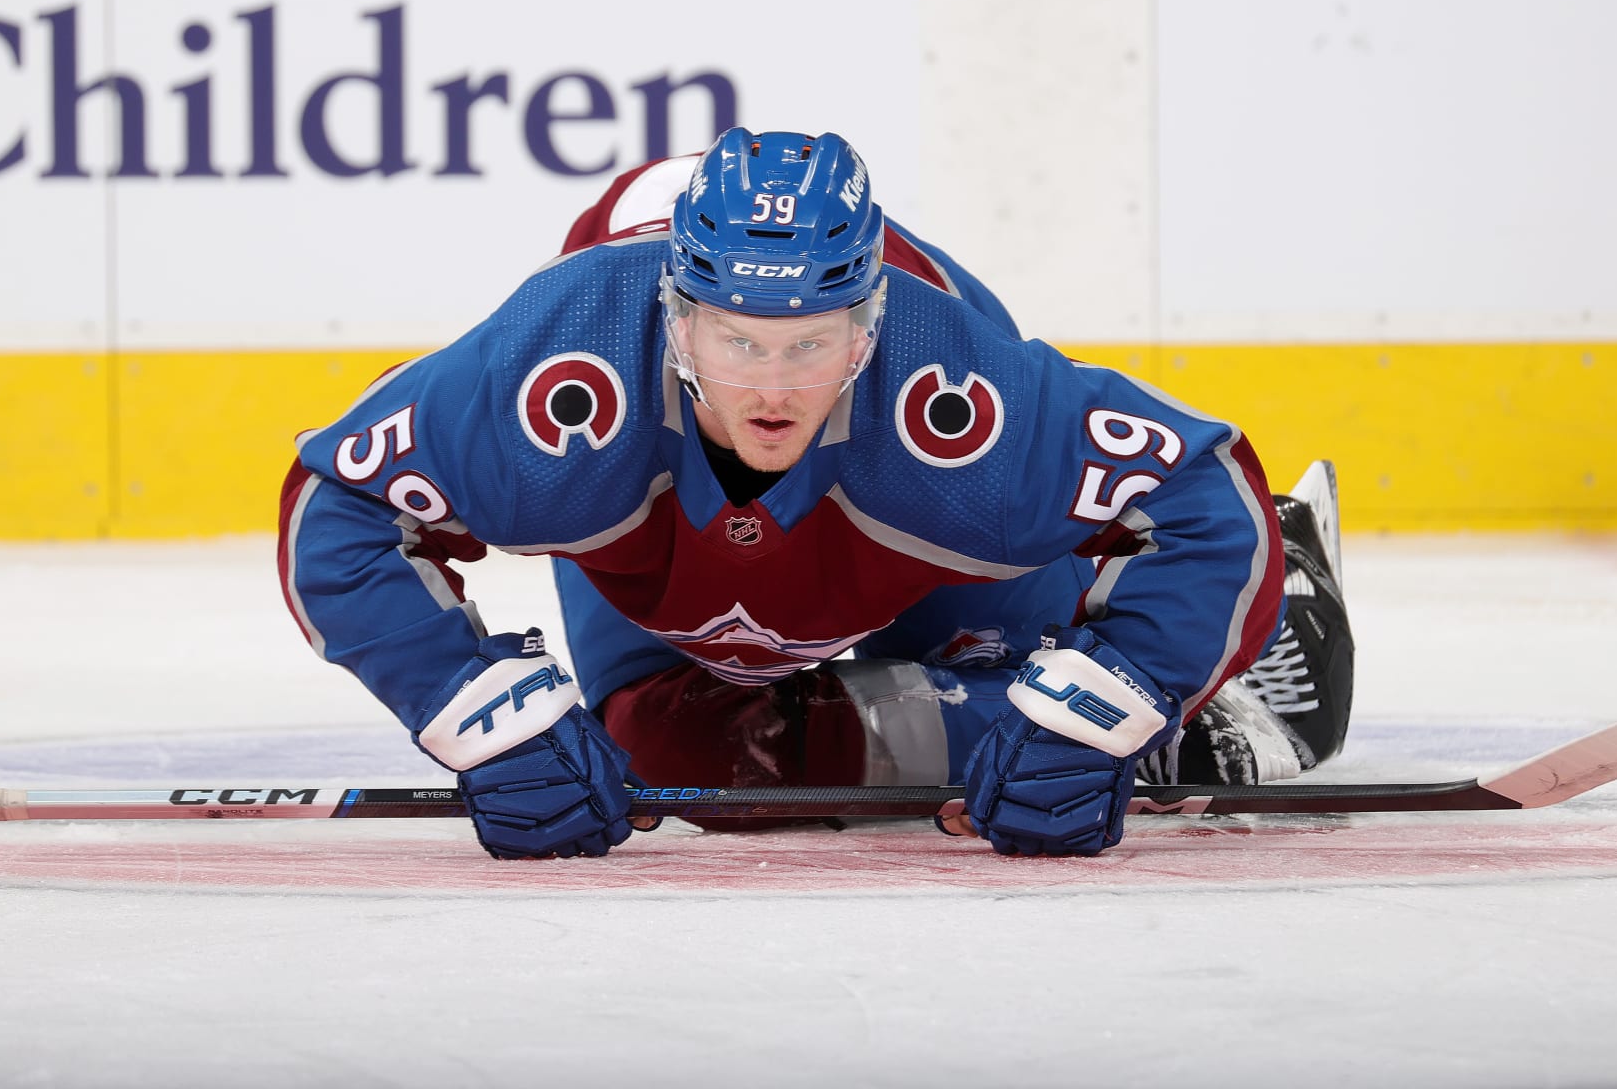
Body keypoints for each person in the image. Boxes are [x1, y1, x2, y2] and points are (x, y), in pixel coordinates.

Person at [277, 127, 1354, 860]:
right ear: (676, 313)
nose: (775, 387)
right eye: (739, 339)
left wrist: (1113, 705)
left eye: (814, 343)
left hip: (908, 541)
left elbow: (1197, 485)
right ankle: (1007, 711)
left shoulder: (955, 400)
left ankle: (1245, 643)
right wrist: (476, 717)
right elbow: (341, 501)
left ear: (873, 324)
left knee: (1056, 701)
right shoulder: (557, 375)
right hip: (655, 546)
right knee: (682, 759)